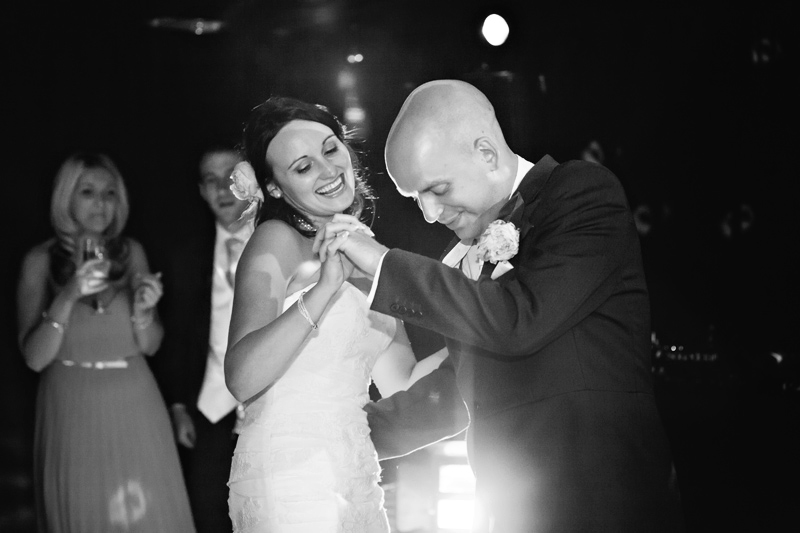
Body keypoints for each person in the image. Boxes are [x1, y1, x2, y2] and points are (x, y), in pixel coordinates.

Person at [315, 80, 685, 532]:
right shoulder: (466, 262)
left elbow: (518, 320)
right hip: (513, 512)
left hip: (604, 505)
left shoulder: (582, 194)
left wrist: (382, 264)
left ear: (487, 153)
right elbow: (453, 392)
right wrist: (340, 440)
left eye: (437, 188)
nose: (430, 214)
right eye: (415, 200)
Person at [224, 96, 450, 533]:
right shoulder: (276, 240)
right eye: (303, 167)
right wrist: (326, 287)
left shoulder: (363, 247)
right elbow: (241, 377)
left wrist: (476, 323)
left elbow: (401, 381)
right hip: (292, 477)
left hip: (356, 475)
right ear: (274, 188)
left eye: (330, 149)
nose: (328, 170)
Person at [16, 152, 195, 532]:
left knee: (149, 515)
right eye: (88, 191)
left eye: (110, 192)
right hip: (70, 404)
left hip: (136, 401)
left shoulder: (132, 254)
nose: (101, 202)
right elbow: (33, 358)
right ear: (66, 198)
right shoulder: (40, 260)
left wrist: (145, 311)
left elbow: (149, 345)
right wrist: (69, 293)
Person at [157, 146, 251, 533]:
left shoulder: (279, 241)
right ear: (201, 190)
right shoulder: (184, 255)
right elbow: (178, 333)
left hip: (271, 402)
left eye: (230, 176)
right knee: (208, 512)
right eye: (210, 181)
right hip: (209, 406)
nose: (222, 189)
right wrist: (178, 405)